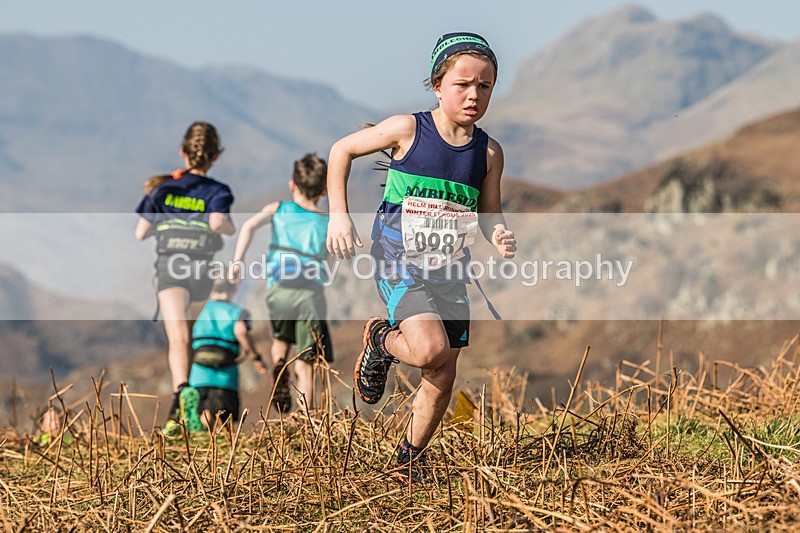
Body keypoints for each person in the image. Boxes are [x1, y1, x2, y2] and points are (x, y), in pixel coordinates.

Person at [326, 32, 516, 481]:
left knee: (444, 372)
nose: (473, 95)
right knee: (430, 349)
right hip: (399, 261)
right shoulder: (408, 130)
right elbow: (342, 150)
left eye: (484, 86)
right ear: (437, 84)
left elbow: (490, 214)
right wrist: (339, 215)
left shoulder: (488, 153)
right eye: (462, 84)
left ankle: (407, 461)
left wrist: (500, 234)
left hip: (451, 269)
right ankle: (381, 340)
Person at [134, 121, 235, 431]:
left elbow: (141, 233)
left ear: (182, 151)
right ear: (216, 155)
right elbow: (219, 225)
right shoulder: (218, 191)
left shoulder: (161, 190)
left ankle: (181, 397)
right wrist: (229, 227)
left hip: (171, 269)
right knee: (189, 338)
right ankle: (187, 404)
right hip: (201, 270)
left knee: (177, 337)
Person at [231, 153, 334, 414]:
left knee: (280, 339)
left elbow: (249, 227)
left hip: (279, 288)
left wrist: (237, 262)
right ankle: (304, 417)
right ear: (324, 190)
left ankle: (279, 363)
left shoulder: (279, 209)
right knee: (307, 361)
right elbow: (331, 259)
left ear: (292, 185)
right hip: (310, 292)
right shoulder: (327, 221)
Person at [187, 278, 267, 432]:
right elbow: (241, 331)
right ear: (233, 290)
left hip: (199, 372)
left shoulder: (198, 311)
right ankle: (222, 438)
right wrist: (255, 358)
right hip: (225, 373)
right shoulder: (237, 312)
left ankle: (208, 424)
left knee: (203, 409)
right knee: (225, 417)